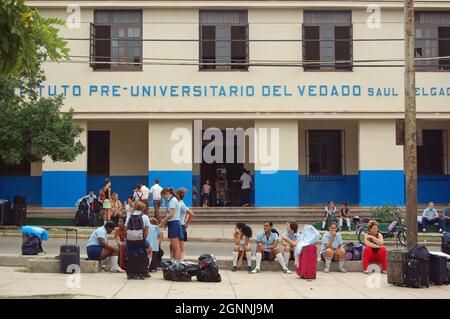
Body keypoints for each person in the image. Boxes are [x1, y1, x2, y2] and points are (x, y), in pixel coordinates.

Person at [125, 201, 151, 279]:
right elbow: (146, 230)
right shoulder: (145, 217)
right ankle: (141, 272)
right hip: (140, 239)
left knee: (130, 255)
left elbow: (126, 228)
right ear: (142, 208)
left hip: (130, 239)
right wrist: (143, 238)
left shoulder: (129, 216)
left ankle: (131, 273)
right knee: (141, 255)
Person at [160, 188, 182, 261]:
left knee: (176, 247)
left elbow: (171, 214)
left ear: (167, 194)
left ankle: (177, 264)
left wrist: (163, 221)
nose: (164, 198)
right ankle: (174, 261)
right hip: (173, 223)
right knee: (173, 245)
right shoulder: (173, 200)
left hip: (174, 223)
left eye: (163, 197)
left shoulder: (172, 201)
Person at [176, 188, 194, 262]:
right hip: (179, 225)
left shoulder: (181, 204)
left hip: (181, 225)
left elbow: (191, 213)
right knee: (178, 245)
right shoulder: (179, 203)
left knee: (181, 245)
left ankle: (181, 260)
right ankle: (179, 260)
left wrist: (187, 223)